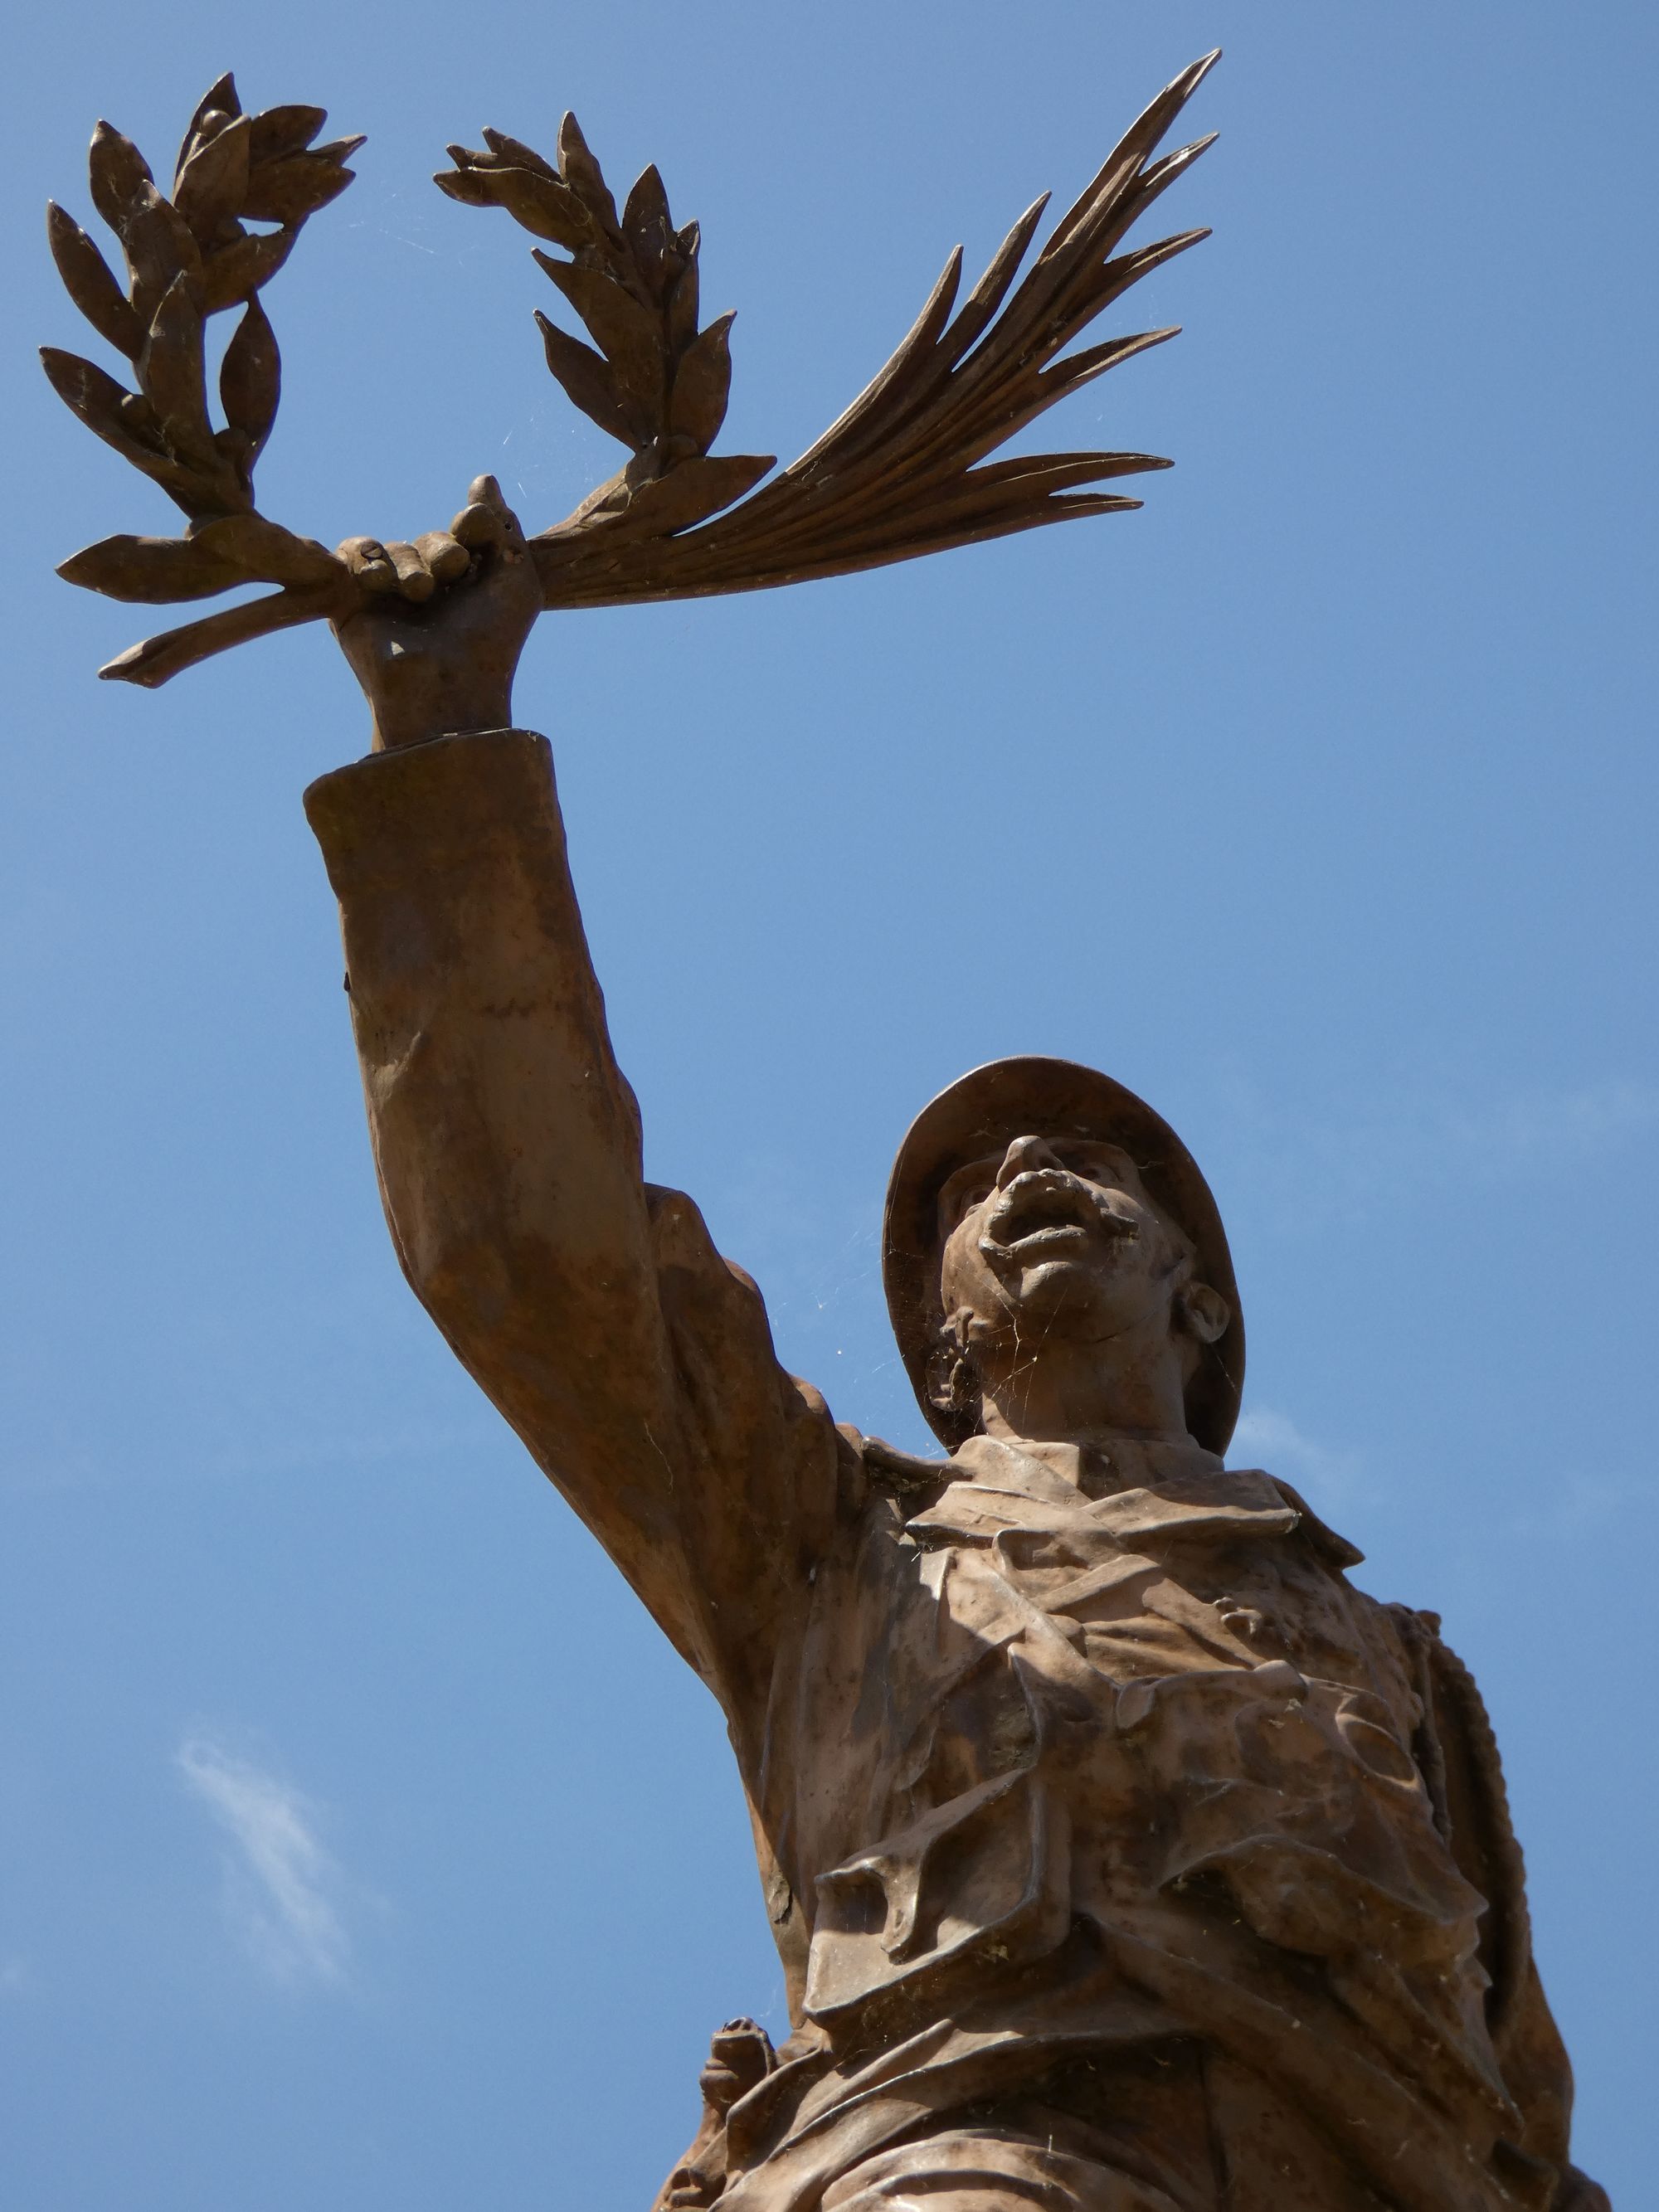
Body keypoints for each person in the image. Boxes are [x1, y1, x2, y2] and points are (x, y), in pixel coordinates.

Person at [304, 483, 1608, 2212]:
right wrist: (451, 750)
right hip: (978, 2151)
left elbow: (1525, 2110)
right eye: (977, 1191)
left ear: (1196, 1298)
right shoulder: (826, 1550)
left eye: (1099, 1169)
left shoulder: (1400, 1663)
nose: (1033, 1175)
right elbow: (544, 1256)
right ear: (942, 1341)